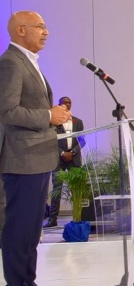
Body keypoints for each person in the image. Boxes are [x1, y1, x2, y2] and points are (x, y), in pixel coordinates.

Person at [0, 11, 71, 286]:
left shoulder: (28, 62)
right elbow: (7, 111)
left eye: (45, 26)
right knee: (19, 227)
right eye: (40, 27)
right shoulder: (10, 63)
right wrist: (47, 116)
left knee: (31, 229)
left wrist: (54, 114)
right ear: (20, 30)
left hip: (38, 156)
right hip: (22, 159)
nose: (46, 32)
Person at [45, 95, 85, 228]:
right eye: (64, 103)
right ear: (59, 104)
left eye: (69, 103)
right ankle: (52, 219)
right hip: (58, 160)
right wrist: (62, 153)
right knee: (57, 190)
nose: (66, 105)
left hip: (74, 159)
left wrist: (72, 152)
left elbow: (82, 140)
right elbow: (51, 140)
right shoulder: (54, 121)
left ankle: (78, 217)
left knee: (76, 190)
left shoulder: (78, 122)